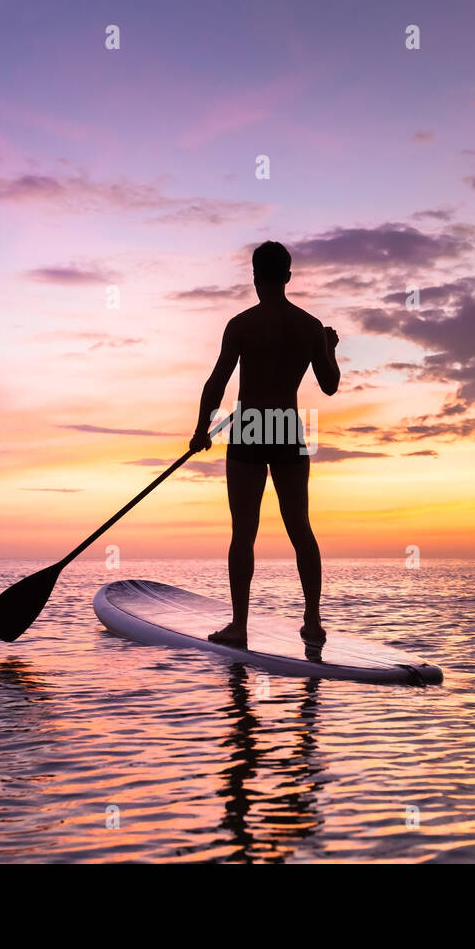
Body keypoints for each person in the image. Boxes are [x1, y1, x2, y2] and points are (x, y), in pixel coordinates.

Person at [189, 241, 340, 646]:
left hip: (249, 428)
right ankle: (312, 621)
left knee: (244, 532)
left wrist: (202, 429)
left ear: (255, 276)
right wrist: (329, 349)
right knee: (300, 528)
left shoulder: (240, 324)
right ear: (288, 277)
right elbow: (329, 386)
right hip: (287, 428)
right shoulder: (310, 326)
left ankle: (239, 626)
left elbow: (217, 382)